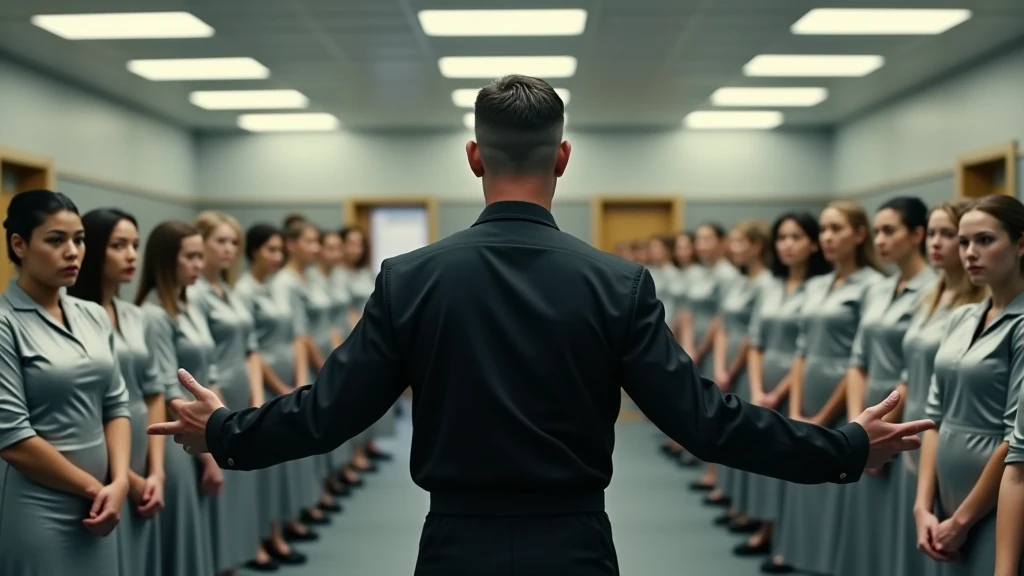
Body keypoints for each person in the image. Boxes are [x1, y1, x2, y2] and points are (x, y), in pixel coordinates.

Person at [149, 75, 934, 576]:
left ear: (472, 158)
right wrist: (846, 446)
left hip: (456, 546)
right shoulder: (617, 283)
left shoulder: (413, 278)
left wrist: (223, 432)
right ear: (562, 159)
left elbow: (329, 413)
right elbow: (707, 422)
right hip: (575, 546)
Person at [0, 190, 131, 576]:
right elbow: (12, 439)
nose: (72, 252)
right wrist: (96, 489)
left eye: (79, 240)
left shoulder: (91, 314)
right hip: (39, 507)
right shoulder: (6, 323)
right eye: (56, 240)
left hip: (103, 502)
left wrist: (120, 481)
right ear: (19, 245)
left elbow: (116, 405)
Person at [768, 200, 888, 575]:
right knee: (804, 474)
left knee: (840, 484)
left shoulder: (874, 285)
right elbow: (802, 349)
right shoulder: (817, 284)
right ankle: (799, 554)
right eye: (824, 229)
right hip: (807, 393)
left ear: (860, 234)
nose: (828, 237)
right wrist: (799, 401)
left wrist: (821, 415)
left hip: (842, 397)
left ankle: (833, 563)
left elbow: (859, 357)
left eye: (837, 228)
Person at [919, 194, 1024, 576]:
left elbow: (1016, 442)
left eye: (985, 240)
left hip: (995, 500)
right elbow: (934, 417)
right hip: (944, 500)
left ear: (1020, 244)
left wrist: (962, 521)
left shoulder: (1021, 326)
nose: (970, 253)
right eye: (964, 242)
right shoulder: (962, 316)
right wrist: (923, 507)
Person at [832, 197, 936, 576]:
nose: (880, 239)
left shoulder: (935, 289)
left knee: (899, 524)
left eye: (890, 230)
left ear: (917, 234)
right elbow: (857, 360)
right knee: (866, 519)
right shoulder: (880, 288)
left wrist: (884, 424)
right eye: (877, 231)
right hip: (869, 409)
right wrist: (860, 424)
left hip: (904, 414)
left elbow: (916, 371)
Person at [69, 208, 166, 576]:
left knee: (143, 553)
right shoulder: (76, 317)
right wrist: (130, 478)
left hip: (145, 446)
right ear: (92, 250)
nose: (131, 256)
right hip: (102, 455)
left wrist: (156, 471)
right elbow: (93, 407)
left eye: (135, 246)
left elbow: (154, 390)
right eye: (118, 245)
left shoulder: (135, 314)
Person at [898, 199, 984, 576]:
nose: (936, 242)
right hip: (915, 427)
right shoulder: (929, 296)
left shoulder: (978, 303)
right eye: (932, 233)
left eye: (948, 234)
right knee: (915, 538)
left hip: (947, 435)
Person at [737, 212, 830, 559]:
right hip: (763, 381)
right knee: (764, 454)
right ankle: (766, 525)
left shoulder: (819, 287)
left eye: (796, 237)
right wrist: (759, 386)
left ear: (812, 243)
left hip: (799, 385)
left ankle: (788, 538)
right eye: (782, 238)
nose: (788, 245)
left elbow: (809, 348)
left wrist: (781, 391)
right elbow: (756, 339)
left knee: (794, 457)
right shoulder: (771, 285)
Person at [136, 220, 219, 576]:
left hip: (201, 426)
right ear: (167, 259)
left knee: (197, 522)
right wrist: (212, 452)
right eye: (191, 257)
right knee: (180, 529)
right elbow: (169, 387)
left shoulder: (188, 306)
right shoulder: (154, 314)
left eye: (201, 256)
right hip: (178, 433)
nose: (199, 264)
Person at [233, 224, 309, 569]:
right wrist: (279, 386)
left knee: (280, 464)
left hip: (288, 381)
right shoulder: (244, 290)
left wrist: (300, 378)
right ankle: (263, 539)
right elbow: (252, 349)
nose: (278, 257)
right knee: (263, 468)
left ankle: (281, 527)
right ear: (254, 253)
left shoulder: (278, 288)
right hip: (262, 387)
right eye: (271, 250)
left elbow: (295, 334)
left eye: (281, 250)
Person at [191, 211, 262, 574]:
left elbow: (251, 347)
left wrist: (256, 391)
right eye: (220, 240)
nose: (229, 249)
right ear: (199, 242)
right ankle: (218, 562)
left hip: (242, 391)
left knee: (240, 482)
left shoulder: (231, 292)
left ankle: (236, 554)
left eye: (234, 242)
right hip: (214, 395)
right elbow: (203, 358)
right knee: (217, 482)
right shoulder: (195, 295)